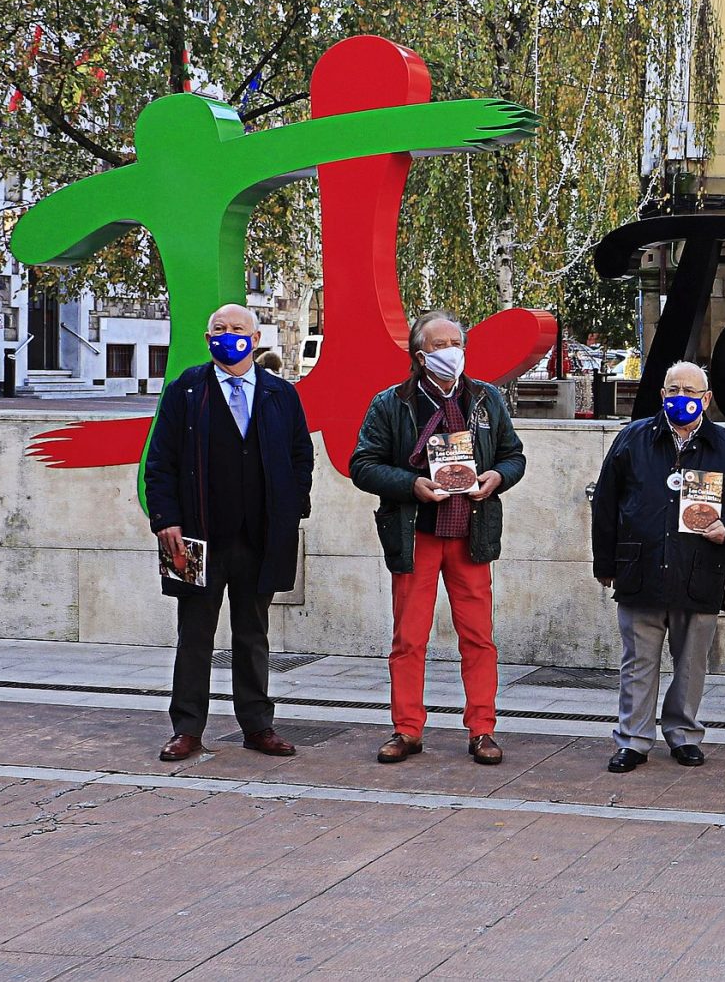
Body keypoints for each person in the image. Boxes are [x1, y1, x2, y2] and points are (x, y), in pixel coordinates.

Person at [348, 311, 527, 766]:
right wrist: (411, 485)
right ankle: (407, 729)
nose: (450, 352)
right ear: (419, 355)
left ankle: (482, 730)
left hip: (471, 533)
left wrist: (496, 477)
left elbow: (514, 455)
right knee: (409, 638)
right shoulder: (391, 403)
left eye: (456, 342)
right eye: (439, 344)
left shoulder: (486, 399)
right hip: (416, 534)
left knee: (479, 637)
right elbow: (362, 465)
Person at [147, 304, 314, 762]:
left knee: (252, 633)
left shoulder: (281, 393)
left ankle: (257, 725)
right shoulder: (186, 390)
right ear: (207, 339)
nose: (228, 335)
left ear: (255, 338)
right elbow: (160, 461)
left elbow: (302, 455)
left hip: (260, 536)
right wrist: (166, 520)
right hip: (197, 539)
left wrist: (291, 507)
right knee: (194, 636)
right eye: (218, 329)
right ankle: (187, 729)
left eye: (237, 329)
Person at [589, 361, 725, 773]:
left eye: (691, 391)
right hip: (640, 569)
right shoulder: (632, 440)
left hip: (698, 571)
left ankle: (684, 734)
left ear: (706, 399)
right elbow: (605, 503)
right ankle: (633, 740)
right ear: (663, 395)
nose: (682, 398)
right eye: (674, 390)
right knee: (638, 661)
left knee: (691, 663)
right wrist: (605, 561)